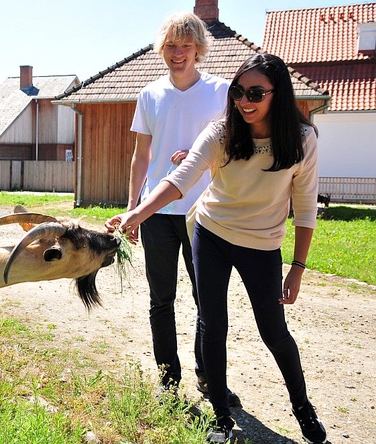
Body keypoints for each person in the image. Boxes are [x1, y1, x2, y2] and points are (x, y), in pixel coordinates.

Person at [107, 53, 327, 444]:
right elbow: (180, 179)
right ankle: (222, 417)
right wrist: (136, 213)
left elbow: (306, 206)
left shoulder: (302, 139)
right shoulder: (222, 133)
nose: (245, 101)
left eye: (256, 93)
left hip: (262, 244)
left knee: (274, 330)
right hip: (211, 234)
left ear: (278, 94)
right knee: (213, 322)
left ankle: (303, 408)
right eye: (239, 92)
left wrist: (297, 266)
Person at [126, 11, 239, 405]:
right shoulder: (150, 95)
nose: (178, 53)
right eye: (171, 46)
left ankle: (209, 377)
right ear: (162, 49)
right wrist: (132, 209)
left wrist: (198, 154)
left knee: (207, 301)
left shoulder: (222, 92)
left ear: (198, 49)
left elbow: (236, 147)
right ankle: (167, 381)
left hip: (204, 214)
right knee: (161, 300)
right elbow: (142, 157)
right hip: (156, 212)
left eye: (185, 46)